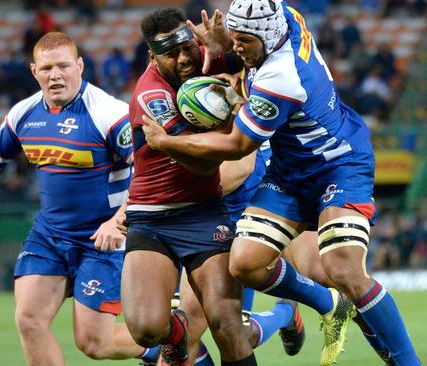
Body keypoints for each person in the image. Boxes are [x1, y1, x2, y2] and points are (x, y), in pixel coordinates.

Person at [140, 1, 421, 365]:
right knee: (245, 264)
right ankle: (323, 304)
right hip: (290, 171)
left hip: (337, 164)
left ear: (266, 37)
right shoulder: (283, 16)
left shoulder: (281, 79)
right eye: (236, 37)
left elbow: (237, 145)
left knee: (343, 268)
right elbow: (252, 35)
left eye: (244, 41)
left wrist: (168, 143)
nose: (237, 48)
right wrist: (223, 41)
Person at [0, 32, 160, 365]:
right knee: (29, 319)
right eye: (48, 67)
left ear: (80, 66)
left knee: (94, 343)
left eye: (64, 66)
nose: (56, 75)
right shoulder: (24, 114)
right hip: (50, 236)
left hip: (104, 240)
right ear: (34, 70)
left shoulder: (110, 114)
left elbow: (148, 173)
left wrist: (118, 222)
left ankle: (167, 342)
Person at [123, 8, 257, 366]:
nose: (184, 58)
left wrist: (225, 47)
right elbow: (201, 162)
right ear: (153, 56)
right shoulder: (150, 96)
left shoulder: (201, 59)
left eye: (188, 47)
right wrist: (230, 123)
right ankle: (176, 338)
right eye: (171, 53)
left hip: (203, 212)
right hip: (152, 217)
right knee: (145, 330)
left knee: (227, 323)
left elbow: (255, 62)